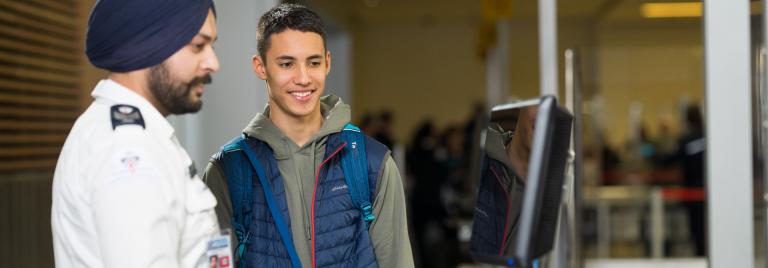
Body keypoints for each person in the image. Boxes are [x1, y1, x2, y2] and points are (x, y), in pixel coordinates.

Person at [202, 4, 413, 268]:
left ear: (327, 62)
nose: (303, 78)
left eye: (313, 62)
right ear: (261, 67)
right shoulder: (228, 171)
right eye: (287, 63)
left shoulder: (371, 163)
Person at [50, 1, 220, 267]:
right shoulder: (128, 147)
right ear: (149, 44)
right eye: (198, 46)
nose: (213, 63)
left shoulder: (139, 134)